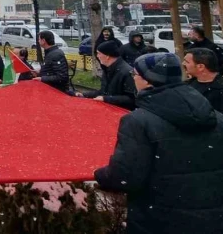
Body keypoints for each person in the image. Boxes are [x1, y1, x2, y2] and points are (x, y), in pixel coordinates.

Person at [95, 53, 223, 233]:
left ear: (148, 81)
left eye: (135, 74)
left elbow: (125, 176)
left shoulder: (138, 122)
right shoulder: (217, 118)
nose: (133, 78)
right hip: (212, 218)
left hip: (159, 219)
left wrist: (100, 174)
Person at [77, 40, 136, 110]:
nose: (97, 56)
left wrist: (106, 99)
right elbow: (103, 92)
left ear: (107, 56)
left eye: (99, 53)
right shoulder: (107, 69)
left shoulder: (127, 72)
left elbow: (131, 99)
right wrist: (84, 94)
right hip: (109, 109)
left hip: (121, 113)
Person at [184, 48, 223, 112]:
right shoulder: (188, 84)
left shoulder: (219, 89)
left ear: (200, 67)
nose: (183, 63)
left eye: (187, 62)